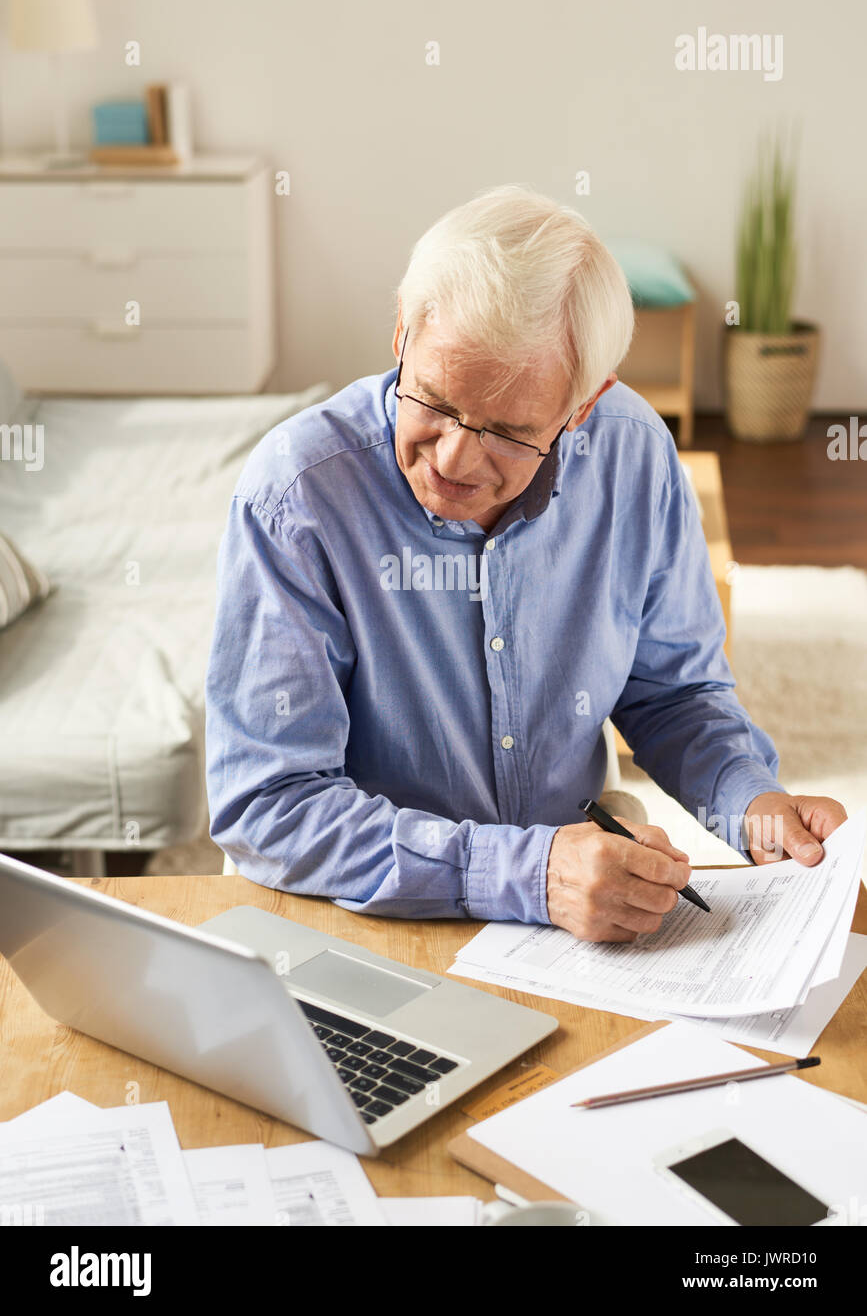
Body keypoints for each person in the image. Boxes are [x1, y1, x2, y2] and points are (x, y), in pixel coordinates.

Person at [204, 185, 846, 943]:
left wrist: (747, 801)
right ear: (401, 332)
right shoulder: (297, 495)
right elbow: (271, 805)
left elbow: (671, 693)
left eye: (509, 431)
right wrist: (529, 873)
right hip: (358, 906)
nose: (452, 457)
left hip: (575, 913)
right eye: (435, 402)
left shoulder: (633, 452)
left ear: (582, 406)